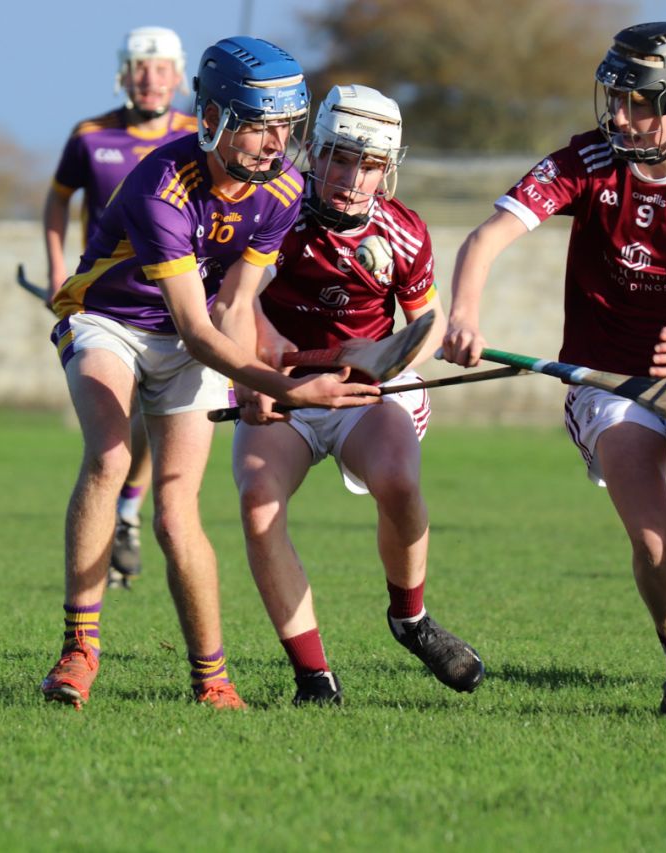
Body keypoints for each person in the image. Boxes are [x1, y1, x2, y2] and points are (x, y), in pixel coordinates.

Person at [40, 36, 381, 710]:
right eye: (258, 126)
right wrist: (283, 384)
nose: (274, 143)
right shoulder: (162, 186)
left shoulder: (283, 189)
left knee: (175, 514)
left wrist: (254, 384)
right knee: (110, 458)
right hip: (109, 320)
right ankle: (79, 649)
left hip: (188, 335)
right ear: (216, 120)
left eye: (286, 127)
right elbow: (196, 327)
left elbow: (234, 304)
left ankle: (212, 679)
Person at [443, 22, 666, 717]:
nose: (618, 115)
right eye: (615, 97)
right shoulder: (587, 161)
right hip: (604, 374)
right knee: (654, 532)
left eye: (640, 102)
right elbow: (487, 237)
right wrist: (465, 315)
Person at [231, 84, 484, 706]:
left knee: (398, 480)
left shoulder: (404, 232)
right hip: (283, 387)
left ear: (387, 170)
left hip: (364, 392)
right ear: (315, 153)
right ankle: (313, 676)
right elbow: (234, 306)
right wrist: (255, 374)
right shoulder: (272, 211)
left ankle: (411, 619)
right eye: (341, 159)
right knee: (259, 503)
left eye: (369, 166)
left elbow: (423, 325)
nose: (351, 178)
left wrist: (406, 349)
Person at [43, 26, 198, 589]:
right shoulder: (90, 136)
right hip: (109, 306)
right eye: (140, 67)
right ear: (123, 72)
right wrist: (57, 269)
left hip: (178, 301)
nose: (151, 79)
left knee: (153, 425)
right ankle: (123, 513)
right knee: (117, 426)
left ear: (179, 77)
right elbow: (57, 200)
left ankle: (127, 512)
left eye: (161, 68)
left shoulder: (201, 137)